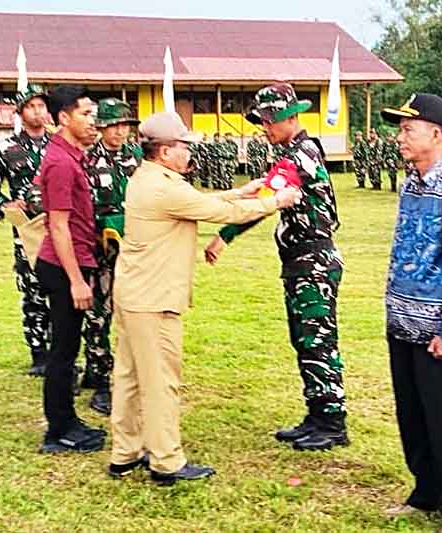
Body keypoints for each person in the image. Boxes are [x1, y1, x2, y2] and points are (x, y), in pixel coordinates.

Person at [108, 111, 301, 484]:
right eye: (183, 146)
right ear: (165, 151)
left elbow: (193, 201)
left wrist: (240, 191)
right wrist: (276, 201)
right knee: (161, 381)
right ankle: (166, 461)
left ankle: (125, 453)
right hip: (154, 299)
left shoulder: (149, 178)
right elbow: (218, 212)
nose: (188, 152)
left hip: (135, 294)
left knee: (130, 378)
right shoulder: (164, 187)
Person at [204, 83, 348, 451]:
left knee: (317, 341)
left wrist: (224, 235)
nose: (264, 128)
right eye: (262, 122)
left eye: (269, 120)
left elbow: (265, 201)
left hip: (313, 263)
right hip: (301, 262)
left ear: (290, 118)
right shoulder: (292, 154)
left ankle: (332, 422)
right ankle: (316, 415)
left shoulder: (300, 155)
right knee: (304, 340)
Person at [380, 93, 442, 533]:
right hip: (402, 320)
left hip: (440, 328)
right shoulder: (410, 185)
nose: (400, 137)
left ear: (436, 134)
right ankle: (425, 493)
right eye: (400, 130)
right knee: (413, 415)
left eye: (408, 129)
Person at [34, 86, 105, 454]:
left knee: (69, 346)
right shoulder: (61, 162)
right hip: (64, 267)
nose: (94, 122)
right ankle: (58, 430)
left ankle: (67, 421)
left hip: (73, 261)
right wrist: (77, 280)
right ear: (63, 118)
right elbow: (58, 226)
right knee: (62, 352)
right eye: (86, 114)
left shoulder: (72, 155)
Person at [0, 84, 51, 376]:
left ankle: (60, 351)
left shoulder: (59, 145)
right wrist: (6, 205)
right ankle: (39, 353)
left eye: (41, 106)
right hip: (26, 229)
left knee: (60, 289)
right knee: (32, 289)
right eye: (31, 107)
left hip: (58, 226)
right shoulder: (6, 148)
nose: (37, 111)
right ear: (20, 113)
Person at [80, 98, 143, 416]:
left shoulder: (138, 158)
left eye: (124, 126)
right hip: (99, 251)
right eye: (113, 126)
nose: (120, 132)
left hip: (133, 249)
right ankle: (100, 376)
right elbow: (82, 207)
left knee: (133, 312)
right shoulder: (87, 160)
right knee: (99, 313)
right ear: (101, 128)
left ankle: (131, 373)